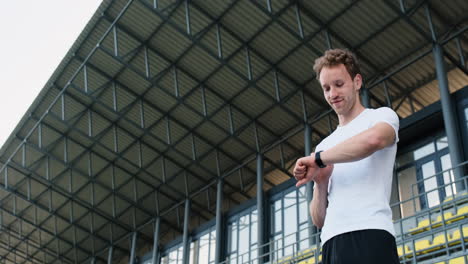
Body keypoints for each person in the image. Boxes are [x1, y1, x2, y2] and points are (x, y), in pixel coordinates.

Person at [293, 49, 400, 264]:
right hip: (331, 243)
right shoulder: (324, 146)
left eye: (339, 84)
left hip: (370, 233)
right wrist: (321, 183)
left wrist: (320, 159)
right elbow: (319, 219)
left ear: (357, 82)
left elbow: (373, 141)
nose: (332, 94)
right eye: (326, 88)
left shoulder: (381, 116)